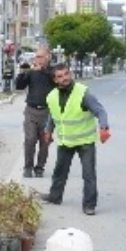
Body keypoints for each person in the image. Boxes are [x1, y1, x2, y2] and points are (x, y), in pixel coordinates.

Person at [41, 64, 110, 216]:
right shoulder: (51, 96)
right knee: (59, 172)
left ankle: (89, 205)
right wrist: (48, 130)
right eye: (60, 76)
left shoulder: (83, 93)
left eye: (66, 74)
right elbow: (53, 115)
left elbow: (100, 111)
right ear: (54, 80)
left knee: (88, 174)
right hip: (66, 141)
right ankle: (55, 196)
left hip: (85, 141)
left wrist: (104, 128)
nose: (65, 78)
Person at [13, 47, 54, 178]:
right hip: (31, 110)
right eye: (36, 57)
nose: (38, 60)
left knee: (45, 141)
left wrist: (44, 71)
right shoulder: (32, 72)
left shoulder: (53, 72)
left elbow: (59, 83)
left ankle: (40, 167)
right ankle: (28, 167)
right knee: (30, 139)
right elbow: (19, 86)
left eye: (41, 57)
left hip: (48, 112)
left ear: (48, 57)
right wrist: (24, 72)